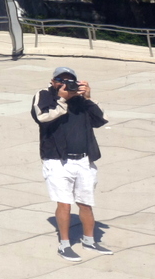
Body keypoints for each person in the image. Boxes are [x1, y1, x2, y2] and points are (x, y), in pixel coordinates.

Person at [31, 66, 112, 261]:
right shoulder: (44, 95)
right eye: (61, 80)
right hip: (57, 161)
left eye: (69, 80)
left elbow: (100, 120)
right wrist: (62, 99)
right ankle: (65, 244)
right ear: (53, 81)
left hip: (84, 160)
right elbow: (41, 117)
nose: (65, 84)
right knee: (65, 204)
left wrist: (88, 98)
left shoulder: (80, 99)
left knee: (86, 204)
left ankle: (89, 241)